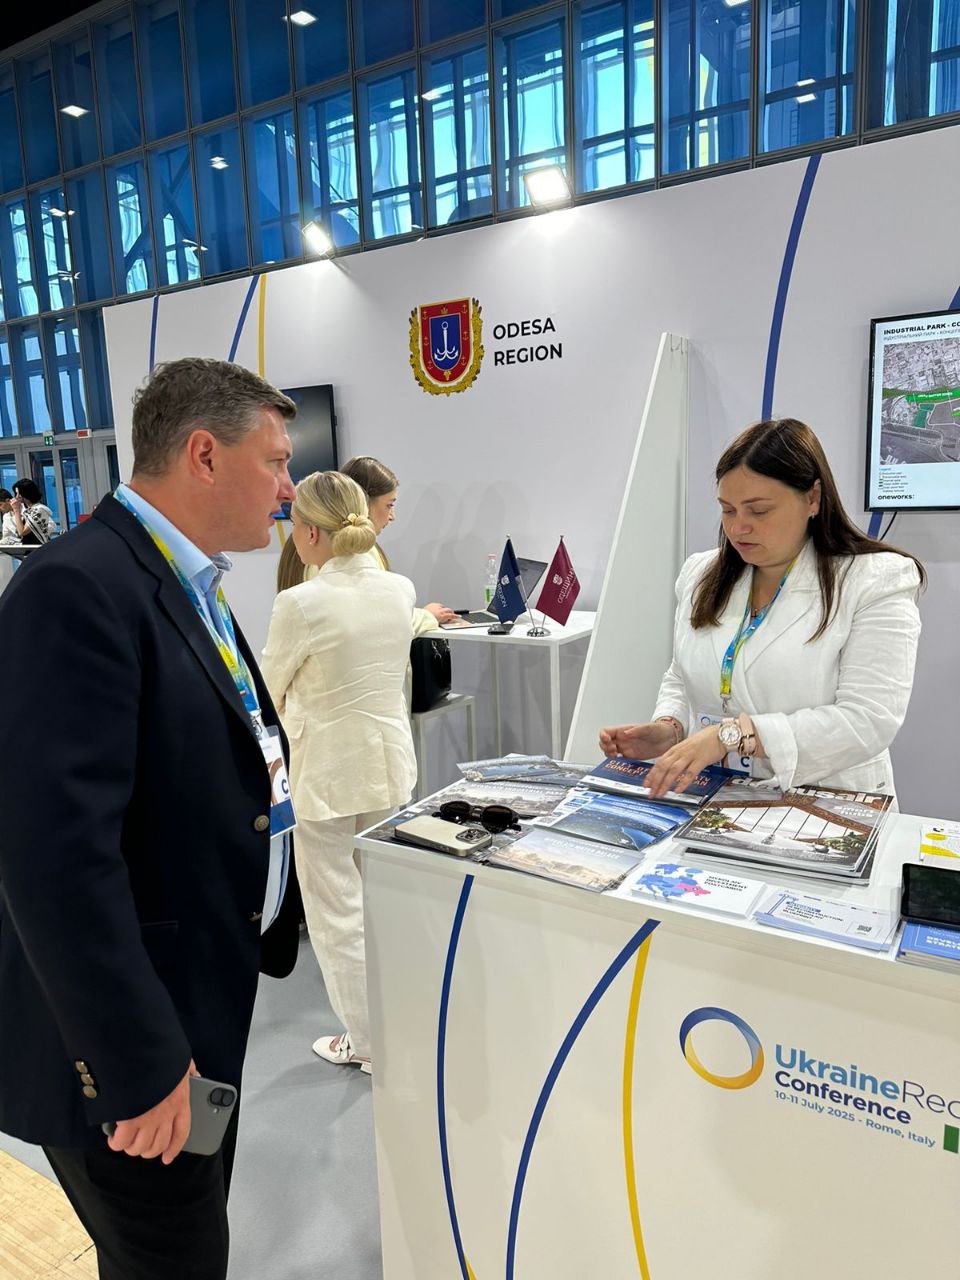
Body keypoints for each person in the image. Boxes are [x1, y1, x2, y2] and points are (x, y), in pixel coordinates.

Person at [0, 357, 302, 1280]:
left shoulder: (179, 579)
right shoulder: (77, 587)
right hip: (129, 1048)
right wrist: (136, 1066)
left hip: (195, 1001)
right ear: (204, 455)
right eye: (275, 461)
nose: (288, 488)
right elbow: (53, 862)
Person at [600, 418, 924, 799]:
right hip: (719, 795)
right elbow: (682, 675)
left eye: (759, 511)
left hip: (826, 797)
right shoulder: (701, 574)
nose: (739, 528)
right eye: (728, 510)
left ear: (813, 498)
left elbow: (867, 720)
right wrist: (670, 728)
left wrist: (734, 736)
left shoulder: (876, 579)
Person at [260, 470, 417, 1074]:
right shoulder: (397, 588)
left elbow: (269, 691)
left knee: (337, 915)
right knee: (381, 903)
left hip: (325, 773)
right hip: (388, 764)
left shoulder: (299, 602)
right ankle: (398, 1021)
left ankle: (369, 1042)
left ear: (307, 532)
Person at [276, 454, 456, 629]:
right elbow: (374, 622)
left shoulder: (308, 545)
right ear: (363, 501)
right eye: (389, 505)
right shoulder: (345, 552)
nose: (392, 516)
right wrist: (426, 616)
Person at [10, 477, 58, 543]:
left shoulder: (39, 509)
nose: (17, 496)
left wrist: (16, 510)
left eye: (19, 493)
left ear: (26, 493)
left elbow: (22, 532)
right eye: (16, 494)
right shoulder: (27, 509)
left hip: (38, 546)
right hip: (29, 546)